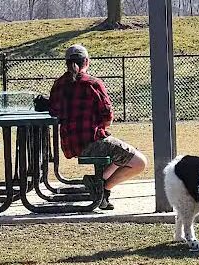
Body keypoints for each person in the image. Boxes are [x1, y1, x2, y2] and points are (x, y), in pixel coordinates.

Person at [48, 44, 148, 210]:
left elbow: (54, 110)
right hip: (93, 142)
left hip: (70, 146)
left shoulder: (58, 84)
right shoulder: (93, 84)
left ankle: (98, 183)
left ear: (66, 63)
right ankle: (103, 189)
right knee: (139, 162)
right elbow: (108, 115)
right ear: (86, 61)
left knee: (120, 150)